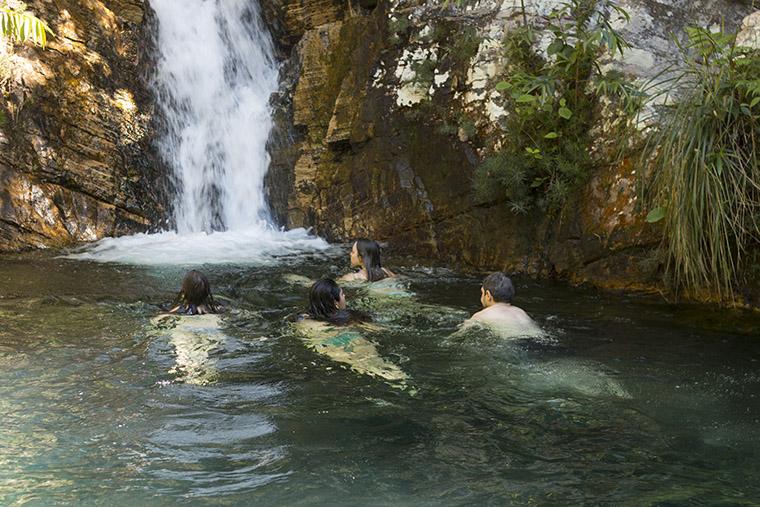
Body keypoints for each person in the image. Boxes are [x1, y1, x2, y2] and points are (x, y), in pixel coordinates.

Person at [294, 278, 408, 384]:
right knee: (385, 370)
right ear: (335, 303)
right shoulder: (348, 318)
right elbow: (379, 330)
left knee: (365, 368)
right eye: (342, 294)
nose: (345, 297)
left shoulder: (302, 319)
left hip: (326, 348)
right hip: (348, 341)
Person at [465, 272, 542, 336]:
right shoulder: (521, 312)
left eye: (482, 293)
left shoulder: (481, 315)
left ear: (488, 295)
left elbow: (462, 333)